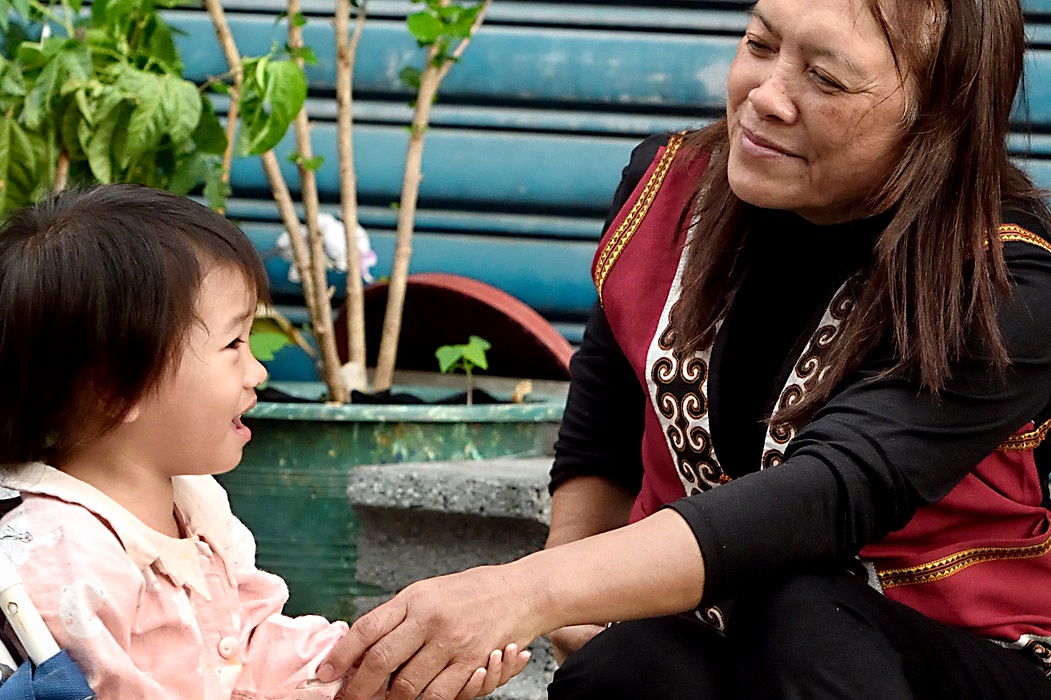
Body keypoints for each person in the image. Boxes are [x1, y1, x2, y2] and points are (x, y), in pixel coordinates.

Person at [315, 0, 1051, 697]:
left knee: (801, 612)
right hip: (721, 629)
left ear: (938, 115)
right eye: (759, 44)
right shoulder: (668, 190)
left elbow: (831, 493)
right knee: (631, 665)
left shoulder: (1006, 278)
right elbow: (606, 422)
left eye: (825, 78)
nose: (765, 96)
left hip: (955, 654)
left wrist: (523, 592)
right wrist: (570, 598)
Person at [0, 184, 527, 699]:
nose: (258, 371)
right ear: (117, 388)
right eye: (233, 343)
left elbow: (249, 645)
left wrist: (374, 671)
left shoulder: (197, 502)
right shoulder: (62, 558)